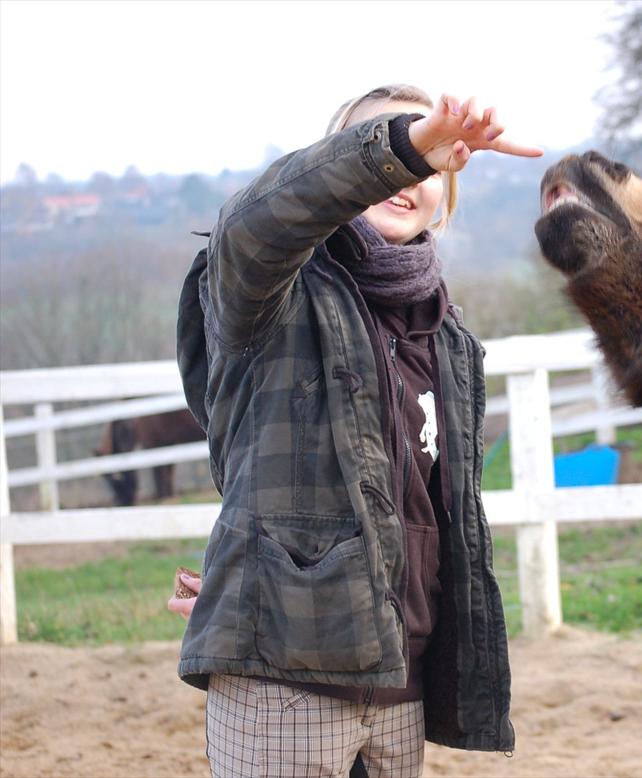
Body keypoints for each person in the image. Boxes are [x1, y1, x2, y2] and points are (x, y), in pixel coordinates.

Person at [168, 83, 542, 777]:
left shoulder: (448, 338)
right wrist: (403, 148)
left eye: (434, 163)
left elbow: (427, 521)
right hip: (285, 683)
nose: (411, 176)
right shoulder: (264, 291)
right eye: (395, 149)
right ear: (338, 170)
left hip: (401, 690)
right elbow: (264, 218)